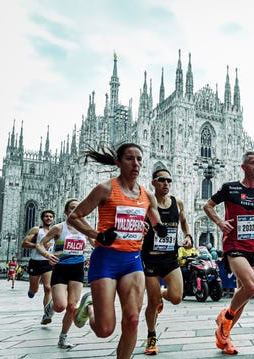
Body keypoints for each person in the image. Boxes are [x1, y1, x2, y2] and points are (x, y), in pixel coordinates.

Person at [67, 143, 167, 359]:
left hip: (132, 262)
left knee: (132, 321)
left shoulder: (147, 195)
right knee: (105, 330)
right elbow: (74, 217)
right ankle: (90, 307)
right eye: (130, 159)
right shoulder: (105, 189)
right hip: (106, 261)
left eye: (139, 159)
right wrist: (98, 235)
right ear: (118, 162)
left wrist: (159, 228)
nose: (136, 164)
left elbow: (155, 221)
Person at [203, 150, 254, 355]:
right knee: (252, 286)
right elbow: (207, 205)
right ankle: (226, 318)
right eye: (253, 163)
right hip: (234, 245)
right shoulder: (231, 188)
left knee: (243, 295)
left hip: (253, 248)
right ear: (243, 167)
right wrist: (219, 222)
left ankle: (224, 337)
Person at [141, 168, 190, 355]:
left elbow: (184, 221)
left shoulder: (177, 203)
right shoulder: (145, 204)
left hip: (170, 257)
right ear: (153, 182)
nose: (166, 183)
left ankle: (162, 293)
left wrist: (188, 235)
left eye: (169, 180)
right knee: (152, 302)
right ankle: (151, 335)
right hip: (150, 258)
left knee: (177, 297)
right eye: (162, 180)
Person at [36, 199, 94, 349]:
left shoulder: (85, 227)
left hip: (77, 269)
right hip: (61, 269)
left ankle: (63, 337)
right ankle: (51, 306)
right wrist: (48, 255)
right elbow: (40, 244)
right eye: (72, 208)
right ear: (66, 211)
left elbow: (95, 243)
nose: (75, 210)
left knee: (71, 306)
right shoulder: (58, 228)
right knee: (61, 305)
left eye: (78, 208)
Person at [22, 209, 55, 324]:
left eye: (51, 216)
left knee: (48, 288)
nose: (49, 218)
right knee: (34, 288)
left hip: (48, 262)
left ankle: (46, 314)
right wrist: (39, 245)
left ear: (53, 219)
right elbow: (24, 243)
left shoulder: (55, 231)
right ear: (42, 218)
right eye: (46, 216)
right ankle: (32, 290)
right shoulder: (37, 230)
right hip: (35, 262)